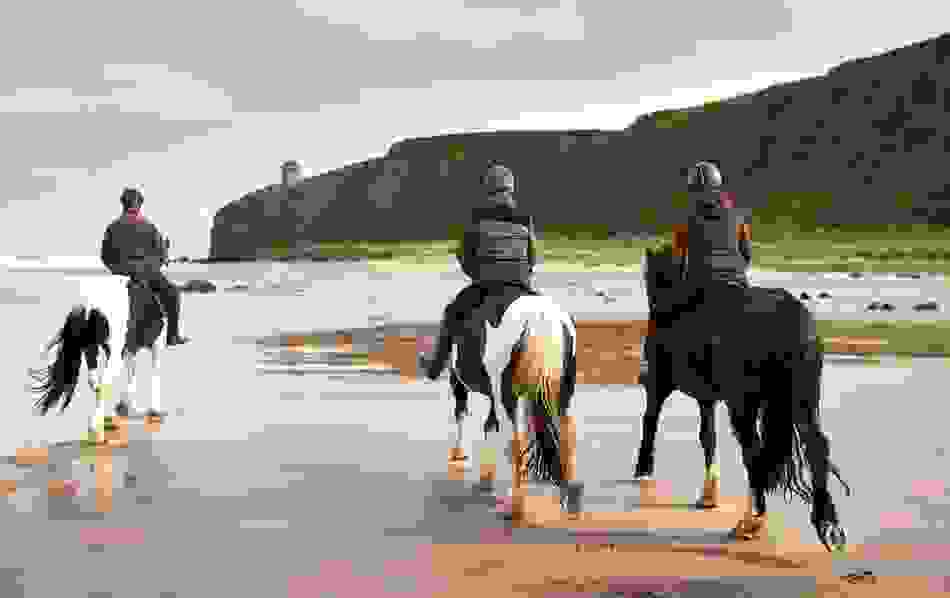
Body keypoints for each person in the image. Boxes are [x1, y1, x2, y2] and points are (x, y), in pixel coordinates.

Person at [100, 187, 191, 347]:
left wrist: (118, 270)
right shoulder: (147, 225)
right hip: (147, 272)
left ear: (123, 204)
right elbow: (161, 256)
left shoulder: (112, 227)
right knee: (173, 294)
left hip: (121, 272)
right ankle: (172, 336)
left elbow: (105, 257)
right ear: (139, 204)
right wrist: (154, 263)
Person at [664, 161, 752, 323]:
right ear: (718, 187)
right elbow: (747, 257)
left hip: (700, 290)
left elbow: (678, 264)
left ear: (693, 191)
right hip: (739, 286)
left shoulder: (685, 221)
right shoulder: (738, 218)